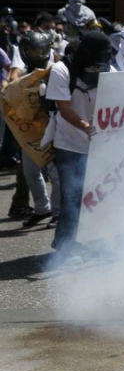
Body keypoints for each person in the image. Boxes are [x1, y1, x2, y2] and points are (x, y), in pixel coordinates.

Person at [45, 32, 114, 261]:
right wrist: (85, 126)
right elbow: (63, 108)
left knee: (99, 193)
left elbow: (122, 97)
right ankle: (65, 247)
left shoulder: (108, 69)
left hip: (99, 144)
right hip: (70, 143)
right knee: (73, 196)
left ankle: (96, 240)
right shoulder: (61, 70)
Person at [14, 31, 61, 228]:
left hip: (51, 128)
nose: (39, 54)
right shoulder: (25, 74)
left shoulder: (54, 71)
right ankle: (43, 208)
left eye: (42, 50)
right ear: (25, 51)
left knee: (56, 174)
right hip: (30, 131)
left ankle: (59, 212)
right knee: (30, 171)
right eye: (34, 50)